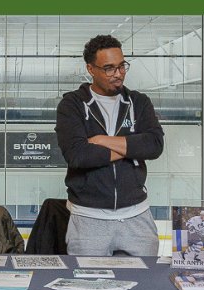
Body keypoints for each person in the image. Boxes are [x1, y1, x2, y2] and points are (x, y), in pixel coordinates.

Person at [55, 35, 163, 258]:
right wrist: (131, 147)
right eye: (109, 68)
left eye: (122, 66)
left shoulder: (139, 102)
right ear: (90, 69)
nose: (118, 74)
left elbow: (154, 145)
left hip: (136, 216)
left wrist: (102, 140)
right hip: (88, 219)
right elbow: (78, 155)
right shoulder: (72, 105)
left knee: (144, 285)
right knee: (87, 288)